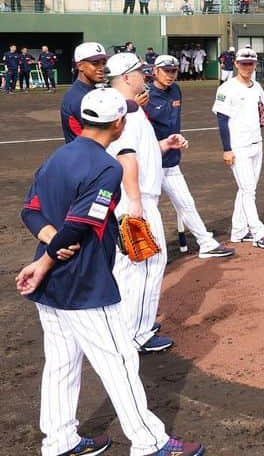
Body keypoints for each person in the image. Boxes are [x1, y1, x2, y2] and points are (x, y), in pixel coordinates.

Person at [17, 87, 206, 456]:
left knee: (61, 363)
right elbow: (78, 227)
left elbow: (30, 210)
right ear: (118, 123)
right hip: (83, 284)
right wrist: (45, 261)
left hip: (51, 289)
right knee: (119, 360)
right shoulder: (107, 167)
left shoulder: (57, 157)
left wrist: (48, 245)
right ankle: (150, 442)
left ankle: (59, 441)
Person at [104, 52, 187, 353]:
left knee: (134, 266)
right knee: (146, 264)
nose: (145, 75)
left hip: (135, 197)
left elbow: (141, 151)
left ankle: (131, 324)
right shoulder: (122, 110)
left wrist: (165, 144)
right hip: (135, 199)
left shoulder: (129, 108)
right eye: (140, 71)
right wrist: (136, 202)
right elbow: (125, 156)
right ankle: (136, 334)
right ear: (126, 77)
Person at [147, 55, 235, 259]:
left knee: (186, 203)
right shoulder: (145, 96)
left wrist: (178, 140)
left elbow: (172, 124)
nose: (170, 75)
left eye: (173, 71)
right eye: (166, 71)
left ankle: (206, 242)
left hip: (171, 161)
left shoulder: (176, 90)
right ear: (155, 71)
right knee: (148, 210)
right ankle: (150, 252)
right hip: (150, 163)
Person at [213, 46, 264, 249]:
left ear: (255, 65)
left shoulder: (256, 86)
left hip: (256, 142)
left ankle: (239, 232)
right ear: (236, 64)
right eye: (243, 63)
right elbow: (222, 120)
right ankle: (259, 232)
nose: (247, 67)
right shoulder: (226, 88)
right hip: (238, 146)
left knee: (247, 189)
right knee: (249, 190)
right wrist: (227, 149)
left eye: (250, 63)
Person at [60, 42, 110, 142]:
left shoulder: (88, 90)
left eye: (103, 63)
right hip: (85, 155)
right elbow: (103, 135)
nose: (101, 68)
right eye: (95, 63)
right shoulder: (79, 98)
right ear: (80, 66)